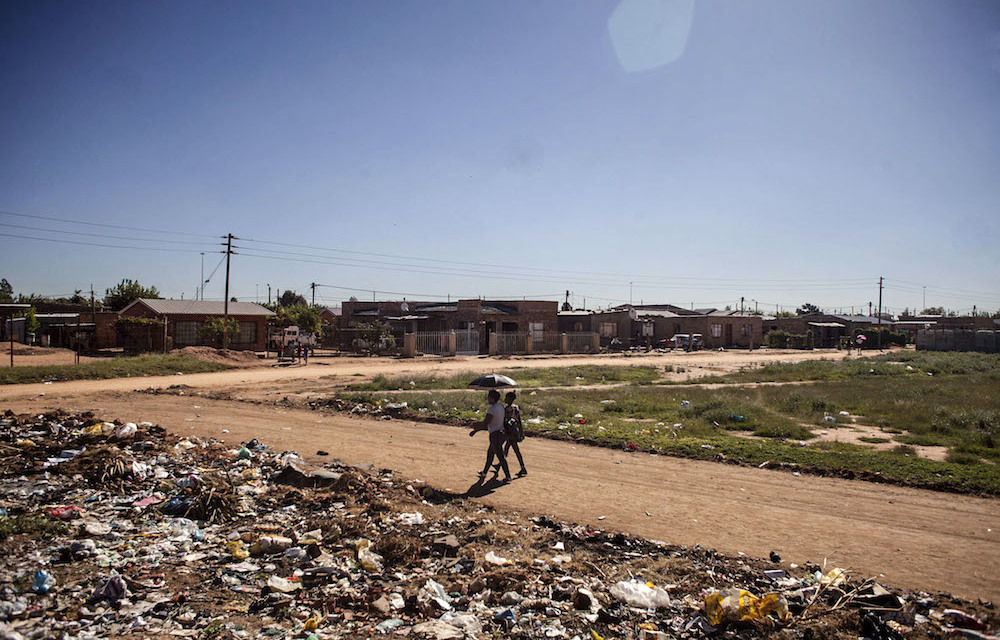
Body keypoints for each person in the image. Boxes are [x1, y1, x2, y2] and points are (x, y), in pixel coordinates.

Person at [469, 389, 512, 483]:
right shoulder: (500, 406)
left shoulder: (492, 409)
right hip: (501, 433)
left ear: (492, 398)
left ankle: (508, 476)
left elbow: (486, 423)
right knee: (490, 454)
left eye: (489, 397)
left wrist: (475, 430)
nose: (488, 399)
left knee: (500, 456)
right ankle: (484, 472)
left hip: (495, 434)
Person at [502, 391, 527, 476]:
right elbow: (518, 420)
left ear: (509, 399)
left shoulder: (507, 409)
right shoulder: (516, 408)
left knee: (514, 449)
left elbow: (507, 420)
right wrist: (521, 431)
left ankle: (523, 467)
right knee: (508, 448)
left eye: (506, 397)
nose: (505, 399)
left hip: (510, 432)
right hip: (514, 431)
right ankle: (499, 465)